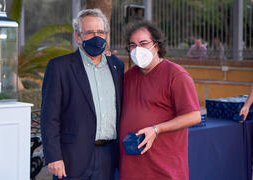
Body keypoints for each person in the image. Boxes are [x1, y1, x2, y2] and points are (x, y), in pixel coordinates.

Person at [41, 9, 124, 180]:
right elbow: (49, 117)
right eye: (89, 32)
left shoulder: (117, 66)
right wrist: (54, 156)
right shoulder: (59, 67)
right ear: (78, 37)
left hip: (109, 157)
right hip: (72, 158)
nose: (96, 36)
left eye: (100, 32)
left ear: (107, 35)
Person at [119, 20, 201, 180]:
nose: (137, 50)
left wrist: (156, 129)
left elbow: (194, 116)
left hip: (164, 170)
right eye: (133, 45)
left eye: (143, 43)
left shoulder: (176, 76)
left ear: (156, 45)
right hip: (132, 168)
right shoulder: (128, 77)